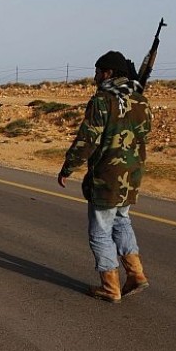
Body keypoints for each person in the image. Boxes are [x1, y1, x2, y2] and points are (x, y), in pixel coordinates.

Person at [57, 51, 152, 303]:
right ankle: (136, 274)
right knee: (122, 220)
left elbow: (88, 139)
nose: (95, 76)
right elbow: (144, 135)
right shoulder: (141, 100)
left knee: (100, 230)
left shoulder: (102, 100)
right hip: (132, 176)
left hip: (107, 177)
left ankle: (110, 288)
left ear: (108, 73)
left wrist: (68, 167)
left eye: (98, 71)